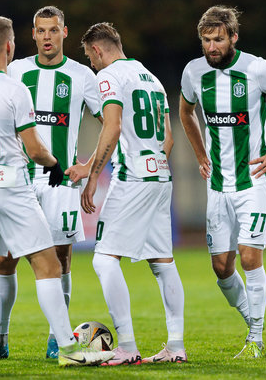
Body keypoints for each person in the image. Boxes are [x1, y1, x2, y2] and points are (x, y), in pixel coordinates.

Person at [0, 15, 113, 370]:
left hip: (24, 184)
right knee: (13, 261)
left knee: (58, 258)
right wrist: (49, 161)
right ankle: (4, 339)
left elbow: (110, 121)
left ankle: (54, 341)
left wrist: (89, 167)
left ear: (64, 32)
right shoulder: (15, 76)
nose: (47, 37)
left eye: (53, 30)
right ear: (24, 39)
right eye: (40, 31)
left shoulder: (82, 76)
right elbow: (32, 145)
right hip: (19, 180)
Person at [179, 6, 266, 358]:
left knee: (249, 256)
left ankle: (256, 337)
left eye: (218, 39)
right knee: (221, 267)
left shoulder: (256, 69)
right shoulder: (193, 72)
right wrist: (199, 153)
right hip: (217, 185)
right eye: (206, 40)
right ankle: (251, 319)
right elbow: (185, 111)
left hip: (253, 180)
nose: (212, 46)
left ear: (234, 37)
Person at [81, 22, 186, 365]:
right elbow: (168, 139)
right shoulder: (150, 77)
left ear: (97, 50)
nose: (92, 65)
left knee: (103, 258)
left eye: (89, 57)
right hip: (160, 175)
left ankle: (126, 345)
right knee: (162, 262)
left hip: (134, 177)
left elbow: (111, 127)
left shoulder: (109, 77)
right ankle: (176, 345)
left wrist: (94, 177)